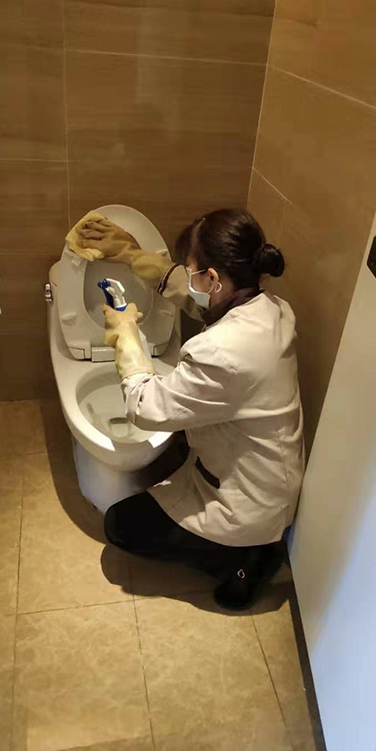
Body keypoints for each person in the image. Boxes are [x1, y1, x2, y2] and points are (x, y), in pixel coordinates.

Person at [76, 208, 305, 609]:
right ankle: (243, 543)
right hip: (264, 476)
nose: (187, 274)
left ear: (213, 278)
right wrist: (128, 253)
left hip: (246, 505)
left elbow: (144, 407)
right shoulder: (270, 308)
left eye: (191, 267)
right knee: (170, 466)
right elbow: (191, 294)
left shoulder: (223, 353)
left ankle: (244, 562)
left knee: (120, 525)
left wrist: (125, 335)